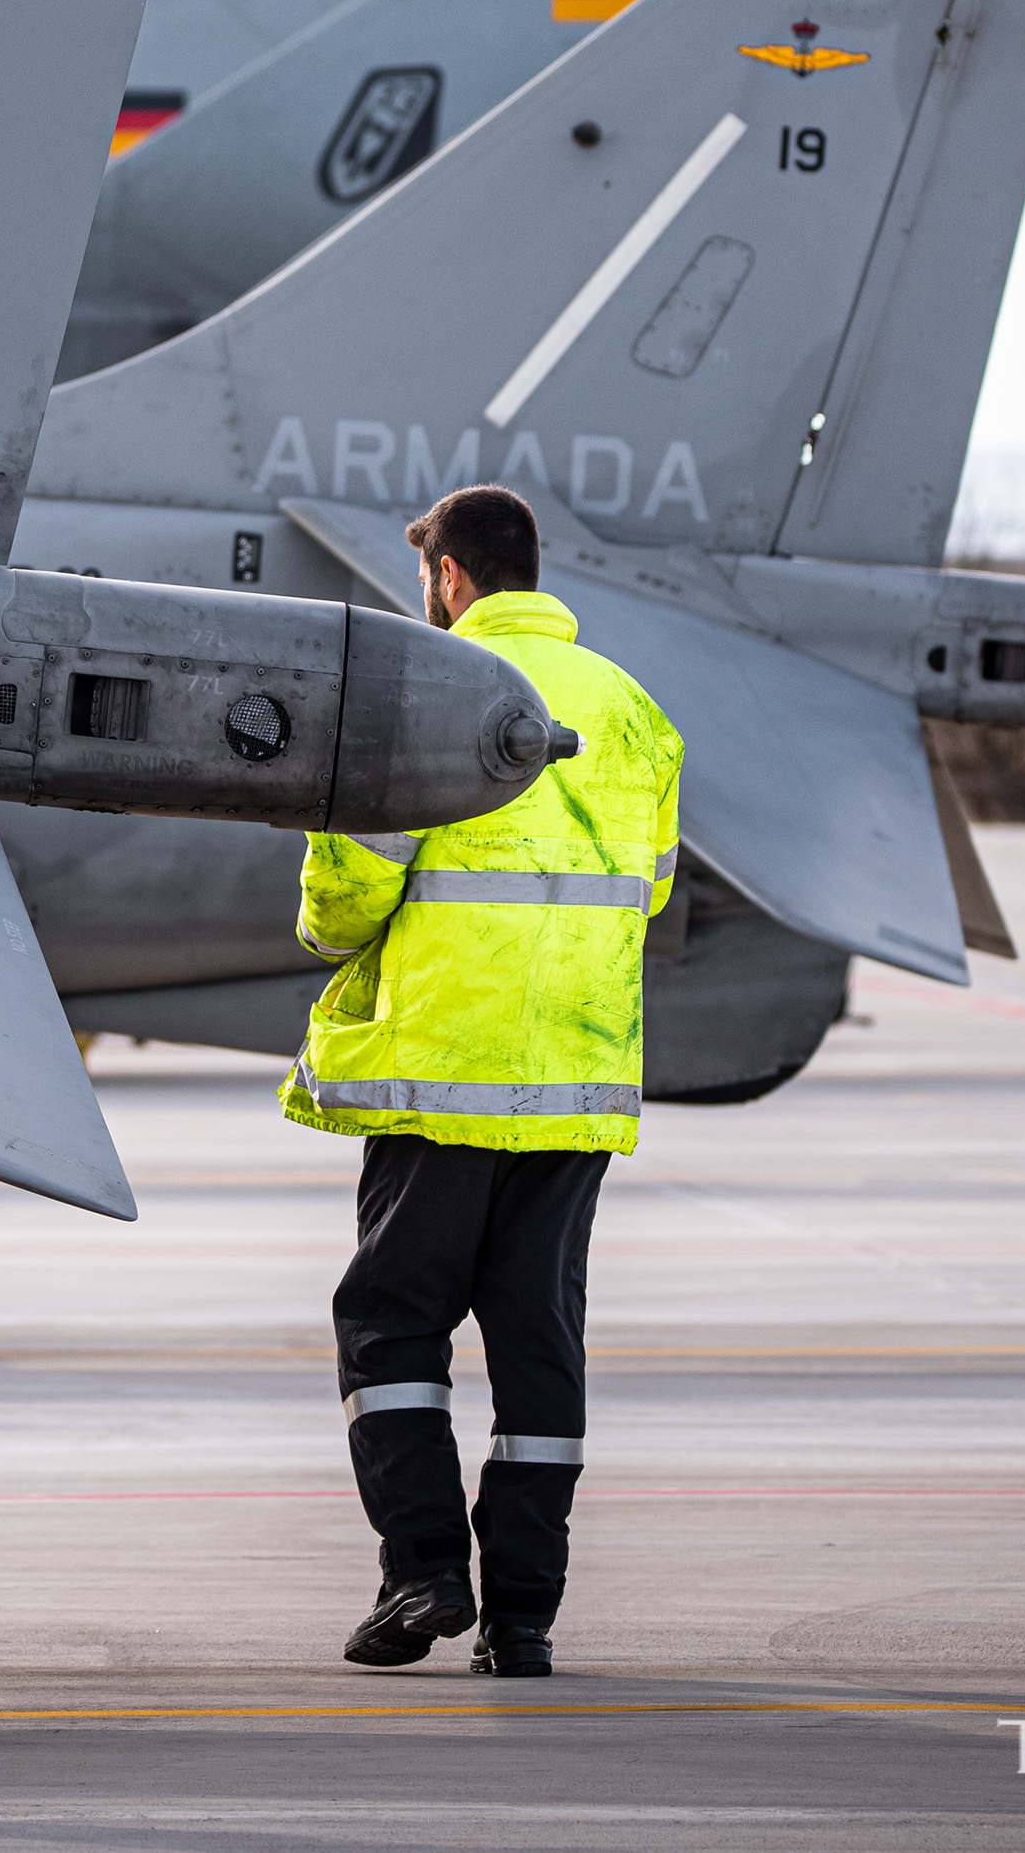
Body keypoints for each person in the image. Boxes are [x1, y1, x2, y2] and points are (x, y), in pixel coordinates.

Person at [282, 482, 681, 1678]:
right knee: (537, 1346)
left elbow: (346, 892)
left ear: (449, 578)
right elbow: (648, 888)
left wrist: (325, 924)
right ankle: (522, 1619)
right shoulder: (633, 710)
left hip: (441, 1076)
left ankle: (422, 1574)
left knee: (392, 1321)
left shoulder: (420, 691)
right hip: (574, 1084)